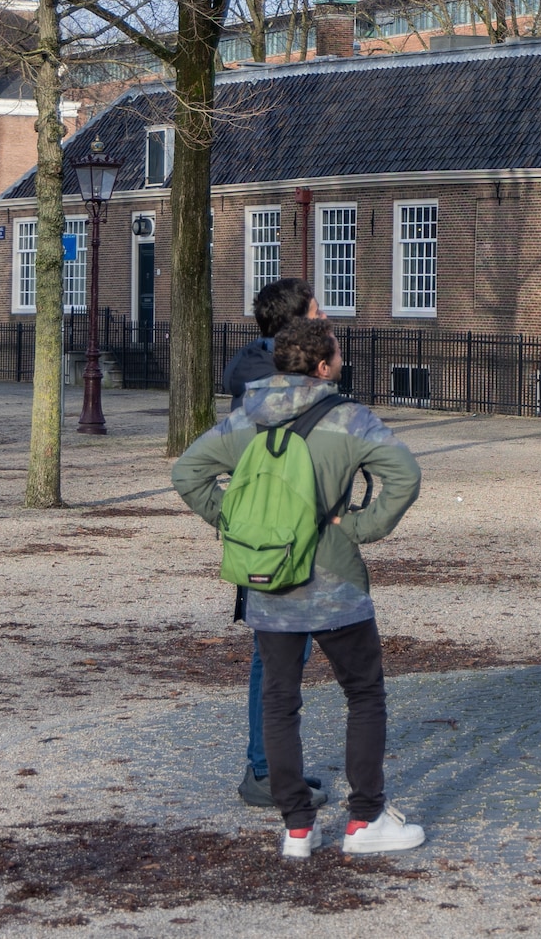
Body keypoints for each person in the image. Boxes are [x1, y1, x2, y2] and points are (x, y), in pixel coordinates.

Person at [173, 317, 424, 859]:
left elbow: (187, 474)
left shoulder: (244, 419)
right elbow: (405, 476)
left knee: (280, 702)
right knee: (363, 695)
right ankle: (364, 820)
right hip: (335, 582)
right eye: (337, 353)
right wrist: (359, 527)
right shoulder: (350, 419)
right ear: (323, 365)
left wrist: (237, 525)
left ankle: (296, 828)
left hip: (269, 582)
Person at [221, 277, 320, 806]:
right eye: (316, 311)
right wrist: (234, 519)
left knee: (286, 658)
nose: (326, 318)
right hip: (271, 540)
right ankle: (263, 771)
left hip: (283, 536)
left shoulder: (271, 373)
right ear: (297, 324)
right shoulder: (266, 382)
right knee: (274, 660)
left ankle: (276, 766)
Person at [226, 277, 317, 408]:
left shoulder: (253, 367)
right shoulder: (274, 389)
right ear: (295, 326)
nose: (324, 317)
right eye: (317, 313)